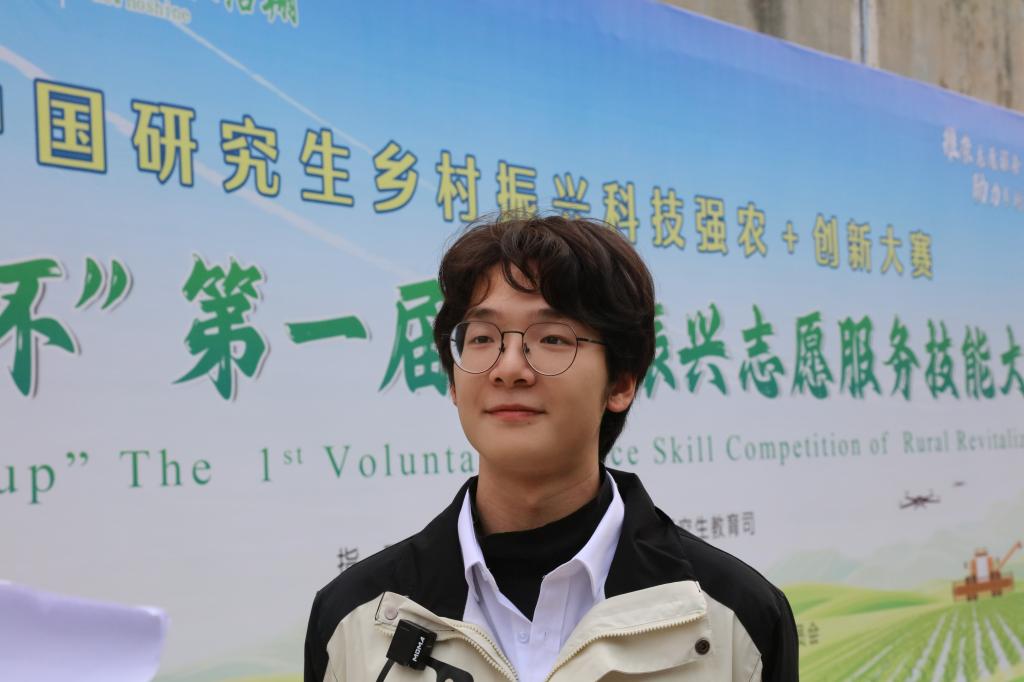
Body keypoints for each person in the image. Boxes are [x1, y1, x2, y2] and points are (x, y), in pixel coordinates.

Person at [304, 215, 799, 681]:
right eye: (482, 337)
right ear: (453, 381)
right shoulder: (354, 618)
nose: (508, 368)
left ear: (621, 382)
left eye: (553, 338)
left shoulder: (736, 617)